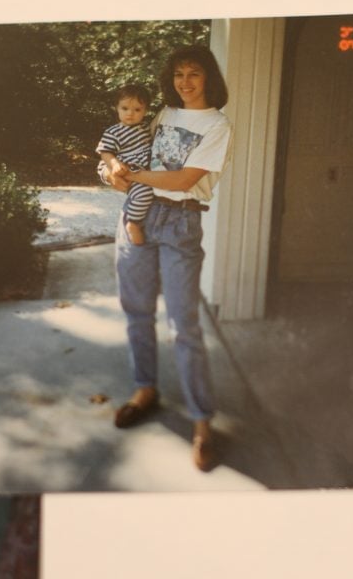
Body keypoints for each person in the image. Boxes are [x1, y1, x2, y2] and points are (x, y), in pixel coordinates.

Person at [103, 44, 232, 471]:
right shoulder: (162, 114)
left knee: (184, 326)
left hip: (179, 223)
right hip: (140, 216)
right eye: (179, 74)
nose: (185, 82)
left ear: (209, 78)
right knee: (137, 311)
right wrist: (110, 170)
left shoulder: (217, 125)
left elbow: (182, 178)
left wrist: (133, 176)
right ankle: (145, 389)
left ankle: (201, 422)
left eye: (194, 73)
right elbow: (124, 156)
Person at [96, 84, 154, 245]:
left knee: (148, 193)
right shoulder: (113, 132)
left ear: (145, 111)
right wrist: (114, 164)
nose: (130, 113)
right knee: (145, 194)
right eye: (125, 108)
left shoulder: (145, 128)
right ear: (117, 108)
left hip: (145, 171)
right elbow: (105, 152)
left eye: (137, 110)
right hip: (129, 171)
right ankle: (133, 223)